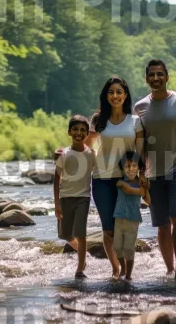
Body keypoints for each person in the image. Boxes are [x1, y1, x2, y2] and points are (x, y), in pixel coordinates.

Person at [134, 59, 176, 282]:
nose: (156, 78)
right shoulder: (140, 107)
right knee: (162, 225)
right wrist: (140, 173)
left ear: (167, 76)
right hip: (152, 174)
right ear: (146, 79)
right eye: (152, 75)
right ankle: (169, 269)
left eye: (160, 74)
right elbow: (139, 143)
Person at [85, 76, 145, 280]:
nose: (115, 95)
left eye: (119, 92)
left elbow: (140, 152)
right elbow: (85, 145)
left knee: (124, 226)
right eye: (111, 92)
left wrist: (142, 175)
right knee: (108, 228)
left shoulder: (135, 121)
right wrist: (66, 152)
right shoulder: (98, 120)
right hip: (101, 177)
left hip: (126, 180)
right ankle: (115, 268)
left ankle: (127, 271)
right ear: (106, 96)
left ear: (125, 95)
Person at [53, 115, 96, 279]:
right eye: (76, 129)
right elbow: (56, 179)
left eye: (83, 130)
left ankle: (80, 267)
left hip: (83, 198)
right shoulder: (63, 154)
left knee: (81, 233)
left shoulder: (91, 154)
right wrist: (57, 203)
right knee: (65, 235)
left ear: (87, 133)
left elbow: (102, 171)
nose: (79, 133)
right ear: (69, 132)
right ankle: (81, 252)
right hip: (65, 198)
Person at [113, 151, 151, 282]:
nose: (130, 169)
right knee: (117, 247)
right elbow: (127, 190)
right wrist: (139, 188)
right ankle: (122, 267)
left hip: (133, 220)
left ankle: (128, 274)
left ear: (139, 168)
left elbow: (148, 201)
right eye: (127, 166)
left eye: (134, 166)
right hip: (119, 218)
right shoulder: (120, 182)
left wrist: (145, 189)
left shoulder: (140, 183)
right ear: (122, 168)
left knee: (129, 248)